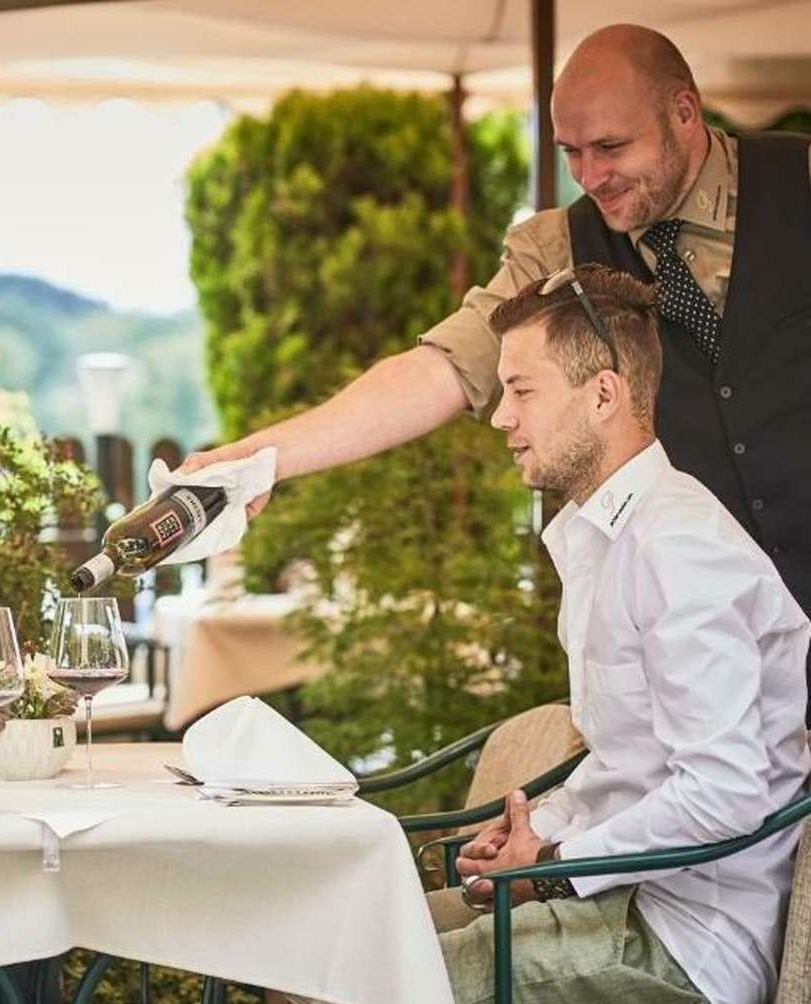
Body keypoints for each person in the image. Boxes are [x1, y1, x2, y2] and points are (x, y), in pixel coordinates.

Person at [267, 266, 810, 1004]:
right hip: (618, 894)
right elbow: (634, 766)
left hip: (681, 938)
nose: (499, 417)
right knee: (303, 961)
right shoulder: (601, 540)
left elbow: (727, 795)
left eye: (520, 390)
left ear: (602, 395)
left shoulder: (681, 549)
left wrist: (554, 870)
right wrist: (545, 830)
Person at [183, 24, 811, 631]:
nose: (590, 178)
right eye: (572, 153)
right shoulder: (558, 247)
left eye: (611, 148)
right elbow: (441, 369)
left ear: (684, 112)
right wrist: (258, 458)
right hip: (691, 626)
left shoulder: (799, 184)